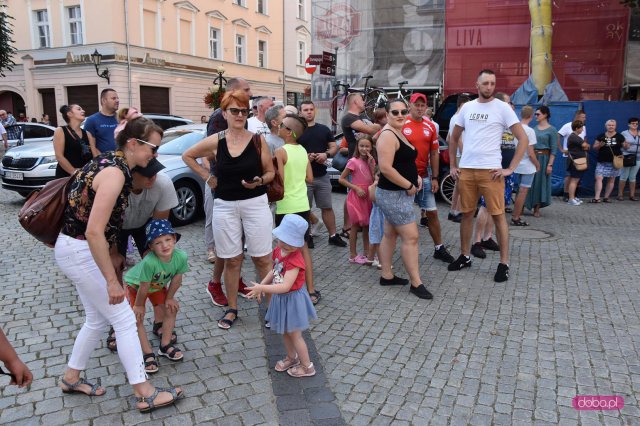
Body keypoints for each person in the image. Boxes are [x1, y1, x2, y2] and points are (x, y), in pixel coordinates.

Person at [54, 116, 183, 412]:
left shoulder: (109, 163)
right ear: (134, 143)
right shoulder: (115, 173)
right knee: (124, 320)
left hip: (74, 249)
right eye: (153, 148)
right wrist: (113, 280)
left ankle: (71, 377)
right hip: (81, 250)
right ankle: (144, 392)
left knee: (97, 320)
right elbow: (93, 230)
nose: (155, 155)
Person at [183, 90, 275, 330]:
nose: (240, 115)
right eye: (234, 110)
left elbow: (271, 172)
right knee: (232, 259)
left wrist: (260, 181)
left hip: (255, 204)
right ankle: (232, 308)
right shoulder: (217, 140)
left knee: (263, 258)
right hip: (224, 205)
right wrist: (206, 176)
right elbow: (188, 155)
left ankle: (272, 308)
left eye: (244, 111)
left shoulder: (257, 140)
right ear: (224, 113)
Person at [448, 69, 529, 283]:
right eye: (485, 83)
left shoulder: (502, 108)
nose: (489, 87)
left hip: (491, 172)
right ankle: (465, 255)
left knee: (498, 215)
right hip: (467, 170)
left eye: (493, 83)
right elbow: (453, 137)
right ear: (477, 84)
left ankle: (504, 263)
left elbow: (523, 139)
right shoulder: (467, 107)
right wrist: (453, 165)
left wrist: (509, 168)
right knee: (466, 214)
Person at [105, 158, 179, 352]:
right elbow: (106, 223)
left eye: (155, 172)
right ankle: (118, 324)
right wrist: (114, 252)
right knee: (114, 270)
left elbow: (159, 229)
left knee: (156, 265)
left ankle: (159, 318)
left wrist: (154, 254)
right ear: (131, 175)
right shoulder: (115, 187)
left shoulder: (162, 184)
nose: (152, 177)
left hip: (147, 223)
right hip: (115, 227)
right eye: (147, 174)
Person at [246, 214, 318, 378]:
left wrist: (263, 287)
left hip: (292, 299)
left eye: (291, 242)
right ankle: (291, 358)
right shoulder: (279, 250)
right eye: (283, 240)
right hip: (281, 298)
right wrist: (261, 286)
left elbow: (286, 286)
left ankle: (307, 366)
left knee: (295, 334)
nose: (285, 244)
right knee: (285, 331)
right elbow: (274, 270)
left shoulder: (295, 260)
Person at [203, 77, 253, 307]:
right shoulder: (218, 117)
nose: (250, 92)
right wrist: (210, 176)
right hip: (223, 185)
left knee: (238, 241)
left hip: (240, 186)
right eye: (246, 89)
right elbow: (208, 151)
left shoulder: (243, 114)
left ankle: (237, 279)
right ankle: (215, 283)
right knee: (227, 241)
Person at [376, 100, 432, 300]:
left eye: (403, 111)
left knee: (390, 233)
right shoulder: (388, 135)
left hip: (397, 193)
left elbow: (403, 161)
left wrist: (414, 176)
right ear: (388, 114)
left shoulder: (398, 131)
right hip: (394, 195)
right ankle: (416, 283)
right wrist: (408, 185)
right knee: (411, 237)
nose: (400, 114)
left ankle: (387, 275)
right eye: (395, 112)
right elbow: (385, 168)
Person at [125, 219, 188, 373]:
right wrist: (139, 305)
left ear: (174, 239)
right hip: (136, 286)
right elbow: (144, 286)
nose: (165, 245)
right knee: (137, 317)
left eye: (168, 240)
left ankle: (165, 345)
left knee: (171, 309)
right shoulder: (149, 262)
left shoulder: (181, 256)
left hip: (156, 286)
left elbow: (177, 279)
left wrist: (170, 297)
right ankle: (147, 353)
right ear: (151, 246)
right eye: (158, 243)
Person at [403, 93, 455, 264]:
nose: (419, 108)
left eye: (422, 105)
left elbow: (434, 153)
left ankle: (439, 248)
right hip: (404, 179)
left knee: (432, 213)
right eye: (416, 105)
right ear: (409, 105)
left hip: (424, 177)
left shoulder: (431, 126)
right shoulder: (401, 123)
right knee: (402, 216)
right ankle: (403, 249)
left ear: (426, 108)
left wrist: (435, 177)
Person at [274, 114, 318, 304]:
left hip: (286, 206)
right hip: (302, 204)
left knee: (283, 250)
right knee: (303, 248)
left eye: (282, 125)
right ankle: (310, 290)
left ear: (289, 132)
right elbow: (310, 179)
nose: (278, 126)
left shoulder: (280, 151)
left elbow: (280, 181)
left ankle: (282, 287)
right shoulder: (302, 150)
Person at [298, 101, 346, 248]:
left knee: (327, 207)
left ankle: (333, 236)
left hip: (322, 176)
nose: (309, 112)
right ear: (300, 113)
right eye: (305, 110)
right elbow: (290, 149)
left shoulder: (323, 129)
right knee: (305, 209)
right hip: (303, 177)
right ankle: (307, 236)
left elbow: (334, 147)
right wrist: (305, 156)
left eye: (311, 109)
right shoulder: (296, 131)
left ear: (315, 111)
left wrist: (325, 154)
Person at [339, 135, 376, 264]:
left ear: (371, 148)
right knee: (355, 225)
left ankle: (366, 252)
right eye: (361, 146)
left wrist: (372, 164)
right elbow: (341, 179)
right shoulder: (353, 161)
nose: (364, 148)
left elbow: (374, 177)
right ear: (357, 147)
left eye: (367, 146)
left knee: (367, 225)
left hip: (368, 195)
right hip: (357, 196)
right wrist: (355, 188)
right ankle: (353, 254)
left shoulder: (372, 161)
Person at [525, 106, 558, 217]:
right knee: (530, 181)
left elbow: (554, 149)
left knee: (541, 183)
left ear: (545, 115)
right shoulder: (534, 129)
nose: (536, 116)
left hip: (544, 159)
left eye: (538, 114)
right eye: (535, 114)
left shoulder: (552, 130)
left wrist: (550, 164)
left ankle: (537, 207)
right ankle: (525, 204)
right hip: (533, 157)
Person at [511, 106, 541, 225]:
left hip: (513, 163)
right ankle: (516, 216)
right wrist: (537, 165)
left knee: (507, 189)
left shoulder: (513, 128)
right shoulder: (530, 131)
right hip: (527, 166)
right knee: (523, 191)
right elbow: (530, 153)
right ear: (531, 116)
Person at [591, 119, 629, 203]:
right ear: (606, 126)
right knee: (599, 178)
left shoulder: (620, 136)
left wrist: (627, 146)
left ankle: (606, 197)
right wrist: (599, 146)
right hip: (602, 161)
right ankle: (597, 198)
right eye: (609, 125)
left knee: (611, 180)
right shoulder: (601, 136)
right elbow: (594, 147)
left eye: (613, 125)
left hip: (615, 162)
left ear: (615, 126)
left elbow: (626, 147)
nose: (611, 126)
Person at [447, 94, 471, 223]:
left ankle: (452, 211)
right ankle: (458, 211)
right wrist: (465, 154)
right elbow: (459, 139)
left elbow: (449, 138)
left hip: (458, 154)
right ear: (463, 104)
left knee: (458, 185)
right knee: (463, 185)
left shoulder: (453, 118)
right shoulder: (459, 118)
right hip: (462, 155)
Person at [53, 104, 92, 178]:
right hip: (65, 176)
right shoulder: (60, 131)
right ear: (69, 114)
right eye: (79, 109)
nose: (83, 111)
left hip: (84, 176)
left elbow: (94, 154)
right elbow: (59, 156)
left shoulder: (87, 134)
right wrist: (73, 171)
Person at [558, 110, 587, 202]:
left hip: (579, 155)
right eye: (583, 117)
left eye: (585, 117)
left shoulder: (584, 127)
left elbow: (584, 139)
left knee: (576, 176)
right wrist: (561, 149)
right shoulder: (567, 126)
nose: (584, 119)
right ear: (577, 116)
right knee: (569, 175)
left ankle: (573, 195)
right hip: (570, 155)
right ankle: (566, 194)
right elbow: (558, 135)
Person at [85, 88, 120, 155]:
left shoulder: (122, 119)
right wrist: (103, 161)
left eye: (117, 98)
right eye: (113, 98)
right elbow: (91, 146)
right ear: (104, 100)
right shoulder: (92, 120)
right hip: (104, 162)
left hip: (123, 161)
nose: (117, 100)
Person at [566, 120, 590, 205]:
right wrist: (586, 146)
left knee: (577, 180)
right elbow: (585, 146)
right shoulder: (574, 137)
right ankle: (571, 199)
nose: (582, 130)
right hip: (575, 162)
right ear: (577, 128)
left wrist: (586, 146)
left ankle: (574, 197)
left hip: (578, 161)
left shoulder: (576, 137)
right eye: (581, 128)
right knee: (574, 180)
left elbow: (586, 146)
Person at [618, 117, 640, 201]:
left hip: (638, 157)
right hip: (627, 156)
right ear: (629, 124)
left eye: (636, 123)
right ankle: (620, 195)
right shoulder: (624, 133)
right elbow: (622, 145)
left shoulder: (639, 133)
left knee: (633, 177)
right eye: (633, 123)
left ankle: (632, 195)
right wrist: (626, 145)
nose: (634, 125)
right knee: (624, 176)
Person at [367, 170, 384, 268]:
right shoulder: (371, 187)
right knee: (377, 238)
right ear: (374, 176)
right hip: (377, 215)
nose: (379, 178)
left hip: (384, 215)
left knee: (378, 237)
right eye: (378, 175)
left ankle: (370, 259)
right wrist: (375, 185)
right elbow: (373, 199)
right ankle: (382, 262)